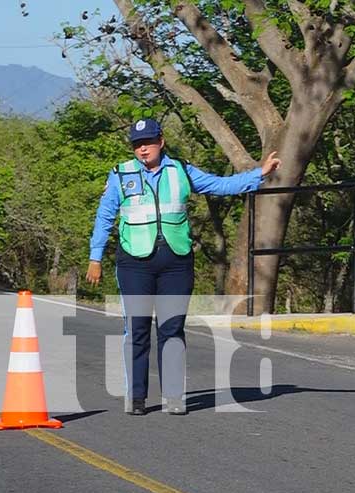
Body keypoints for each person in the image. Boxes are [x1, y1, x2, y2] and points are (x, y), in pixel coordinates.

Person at [86, 118, 281, 416]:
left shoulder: (181, 171)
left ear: (161, 141)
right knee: (136, 329)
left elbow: (221, 185)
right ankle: (136, 396)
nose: (143, 150)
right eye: (137, 145)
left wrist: (260, 174)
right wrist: (95, 257)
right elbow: (104, 217)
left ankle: (173, 396)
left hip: (175, 262)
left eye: (148, 143)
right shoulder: (120, 174)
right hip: (134, 263)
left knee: (172, 329)